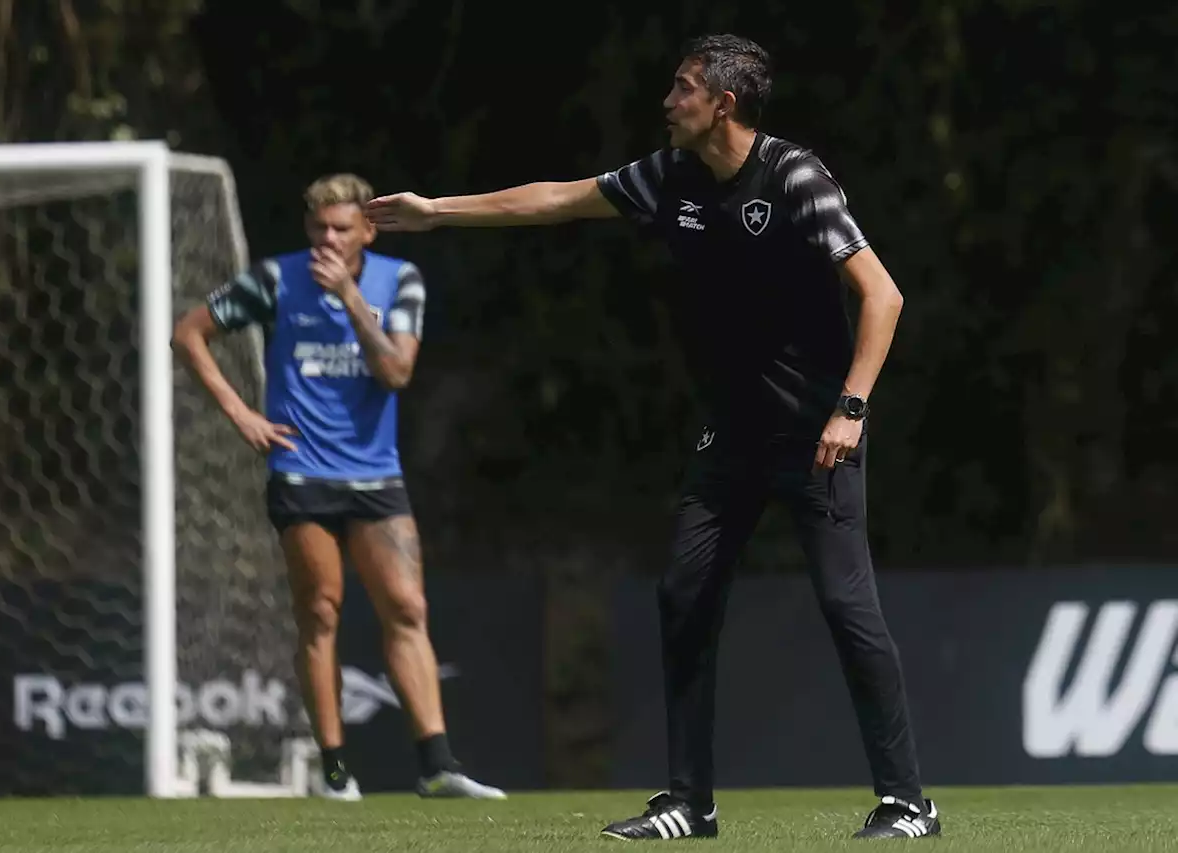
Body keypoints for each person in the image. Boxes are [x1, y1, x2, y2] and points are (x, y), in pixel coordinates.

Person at [366, 33, 939, 841]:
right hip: (732, 436)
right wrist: (437, 212)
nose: (667, 102)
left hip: (819, 437)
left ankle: (909, 802)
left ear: (722, 105)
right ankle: (688, 803)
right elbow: (557, 198)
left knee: (848, 606)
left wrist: (851, 408)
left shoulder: (795, 176)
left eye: (681, 89)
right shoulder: (668, 176)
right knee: (683, 595)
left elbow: (883, 295)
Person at [172, 172, 505, 802]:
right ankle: (332, 771)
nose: (328, 238)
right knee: (320, 611)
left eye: (342, 229)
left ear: (367, 231)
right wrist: (242, 413)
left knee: (407, 609)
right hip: (302, 472)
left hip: (376, 474)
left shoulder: (397, 281)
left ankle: (437, 765)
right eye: (319, 227)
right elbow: (188, 333)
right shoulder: (276, 280)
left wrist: (350, 298)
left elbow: (397, 371)